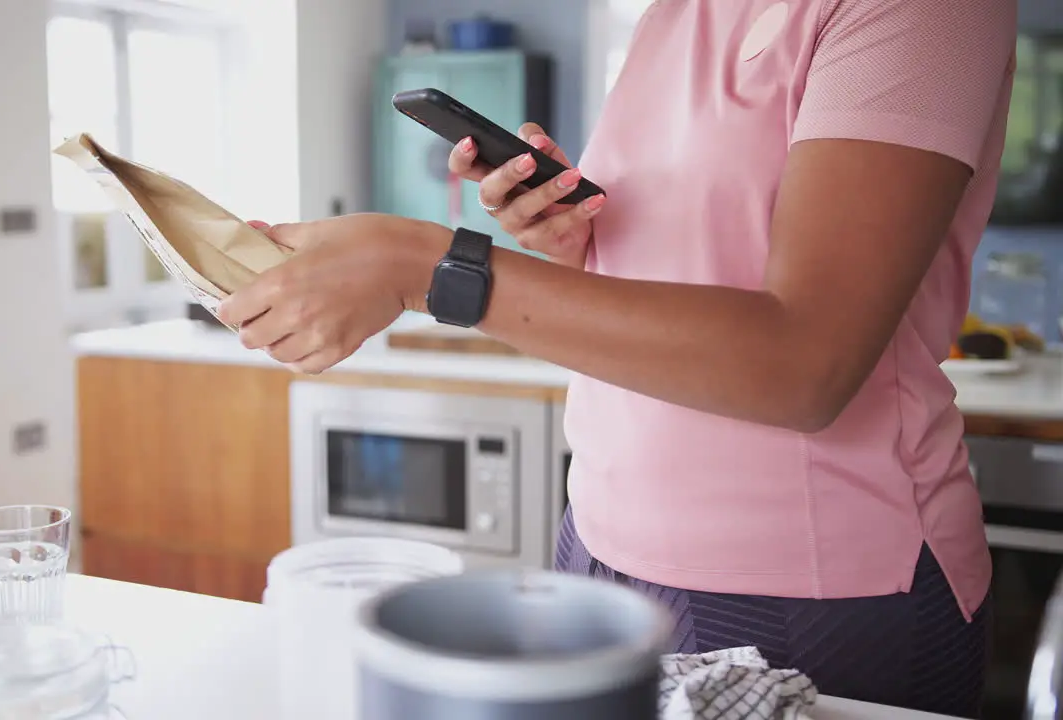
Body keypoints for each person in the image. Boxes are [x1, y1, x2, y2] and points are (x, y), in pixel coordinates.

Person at [218, 1, 1016, 715]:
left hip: (817, 595)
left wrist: (426, 266)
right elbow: (684, 274)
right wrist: (574, 250)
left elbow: (804, 365)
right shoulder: (669, 18)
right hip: (596, 546)